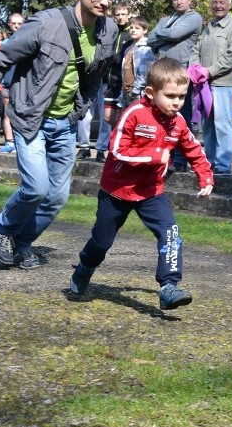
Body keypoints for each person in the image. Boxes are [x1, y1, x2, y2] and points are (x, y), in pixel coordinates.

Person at [0, 0, 118, 270]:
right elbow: (0, 60)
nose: (104, 2)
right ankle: (3, 231)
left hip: (66, 123)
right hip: (31, 119)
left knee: (57, 197)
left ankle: (21, 243)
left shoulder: (108, 30)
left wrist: (80, 108)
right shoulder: (45, 24)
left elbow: (97, 74)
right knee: (36, 188)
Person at [69, 58, 214, 309]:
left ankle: (169, 286)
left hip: (151, 192)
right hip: (117, 191)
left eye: (181, 96)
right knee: (101, 242)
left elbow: (193, 148)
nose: (177, 102)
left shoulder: (177, 122)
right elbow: (116, 150)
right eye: (170, 96)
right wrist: (155, 156)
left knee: (170, 233)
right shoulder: (134, 114)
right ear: (151, 92)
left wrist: (205, 175)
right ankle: (84, 268)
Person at [146, 0, 203, 173]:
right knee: (161, 116)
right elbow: (149, 39)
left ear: (189, 0)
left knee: (181, 116)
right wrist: (166, 35)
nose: (178, 2)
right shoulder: (168, 19)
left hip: (180, 74)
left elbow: (174, 34)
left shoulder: (194, 18)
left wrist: (164, 34)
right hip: (163, 73)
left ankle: (181, 159)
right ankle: (165, 156)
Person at [189, 0, 232, 175]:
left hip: (221, 83)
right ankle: (211, 162)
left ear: (229, 5)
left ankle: (223, 165)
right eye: (215, 2)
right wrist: (196, 69)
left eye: (222, 2)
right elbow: (196, 50)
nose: (218, 6)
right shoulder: (208, 27)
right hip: (204, 84)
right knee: (209, 125)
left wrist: (209, 71)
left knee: (222, 123)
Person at [80, 3, 130, 162]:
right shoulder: (108, 30)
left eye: (124, 14)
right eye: (118, 14)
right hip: (95, 78)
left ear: (129, 15)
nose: (121, 17)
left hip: (112, 83)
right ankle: (84, 147)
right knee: (84, 114)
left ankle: (101, 149)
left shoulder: (129, 36)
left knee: (105, 118)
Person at [0, 14, 24, 153]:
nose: (17, 26)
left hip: (24, 84)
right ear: (9, 24)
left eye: (19, 23)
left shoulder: (29, 40)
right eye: (14, 23)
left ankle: (22, 142)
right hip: (8, 83)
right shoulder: (5, 44)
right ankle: (9, 141)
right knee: (7, 114)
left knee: (23, 114)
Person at [121, 16, 154, 107]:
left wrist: (135, 91)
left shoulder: (145, 48)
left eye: (137, 28)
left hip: (138, 93)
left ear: (145, 30)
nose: (133, 30)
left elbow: (144, 73)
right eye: (131, 28)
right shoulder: (128, 48)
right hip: (127, 91)